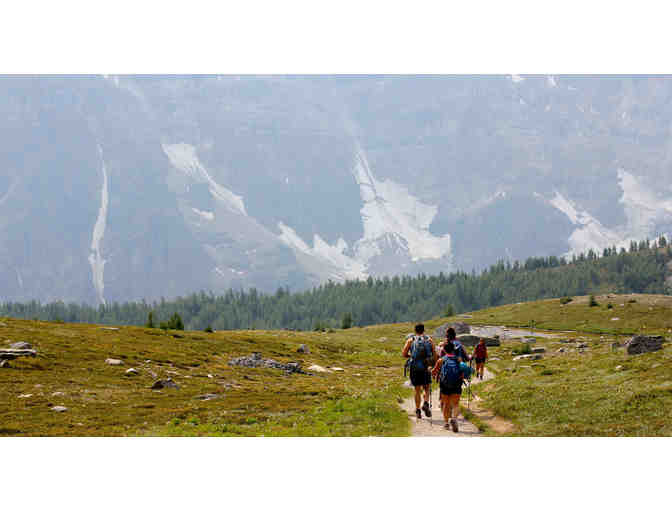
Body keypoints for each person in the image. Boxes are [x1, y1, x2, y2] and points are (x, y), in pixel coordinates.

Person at [402, 323, 436, 419]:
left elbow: (404, 354)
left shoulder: (411, 340)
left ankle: (417, 410)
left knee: (417, 390)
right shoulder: (429, 340)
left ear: (415, 331)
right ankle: (425, 403)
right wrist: (432, 364)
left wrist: (411, 356)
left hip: (415, 367)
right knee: (427, 387)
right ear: (423, 330)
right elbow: (434, 354)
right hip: (426, 367)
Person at [431, 340, 466, 432]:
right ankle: (454, 419)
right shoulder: (459, 359)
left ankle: (446, 423)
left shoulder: (441, 360)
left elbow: (434, 372)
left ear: (444, 350)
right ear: (453, 349)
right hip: (456, 384)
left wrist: (430, 371)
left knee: (446, 404)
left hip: (445, 384)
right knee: (456, 404)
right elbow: (463, 373)